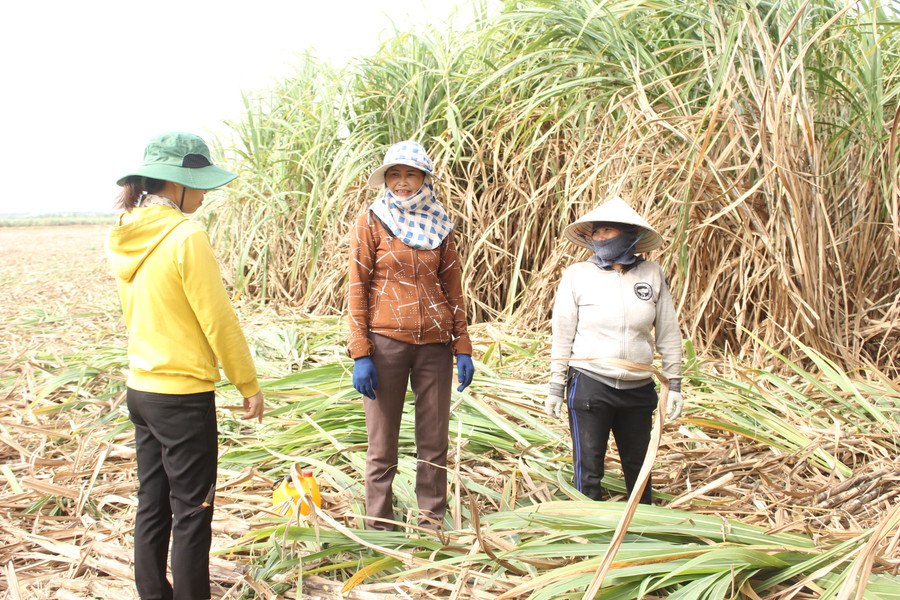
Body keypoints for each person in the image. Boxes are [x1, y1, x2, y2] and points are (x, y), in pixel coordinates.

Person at [106, 132, 265, 600]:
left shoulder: (125, 230)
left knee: (152, 506)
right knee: (193, 512)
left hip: (142, 389)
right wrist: (247, 383)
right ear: (175, 184)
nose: (204, 192)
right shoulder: (185, 234)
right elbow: (217, 318)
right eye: (199, 183)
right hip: (182, 396)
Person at [347, 140, 474, 531]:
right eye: (395, 174)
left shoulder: (440, 223)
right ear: (386, 179)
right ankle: (379, 525)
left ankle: (431, 519)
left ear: (424, 179)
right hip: (385, 343)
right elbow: (357, 286)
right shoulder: (371, 221)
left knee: (434, 441)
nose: (403, 182)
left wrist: (462, 345)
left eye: (411, 174)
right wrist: (360, 352)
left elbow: (453, 287)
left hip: (434, 345)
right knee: (381, 444)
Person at [546, 196, 683, 505]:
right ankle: (588, 538)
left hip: (638, 387)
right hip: (591, 383)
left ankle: (643, 532)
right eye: (596, 232)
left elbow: (668, 331)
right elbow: (562, 334)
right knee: (589, 470)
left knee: (639, 468)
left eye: (607, 230)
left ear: (628, 234)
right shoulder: (577, 276)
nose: (599, 237)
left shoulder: (651, 275)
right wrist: (556, 386)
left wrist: (674, 384)